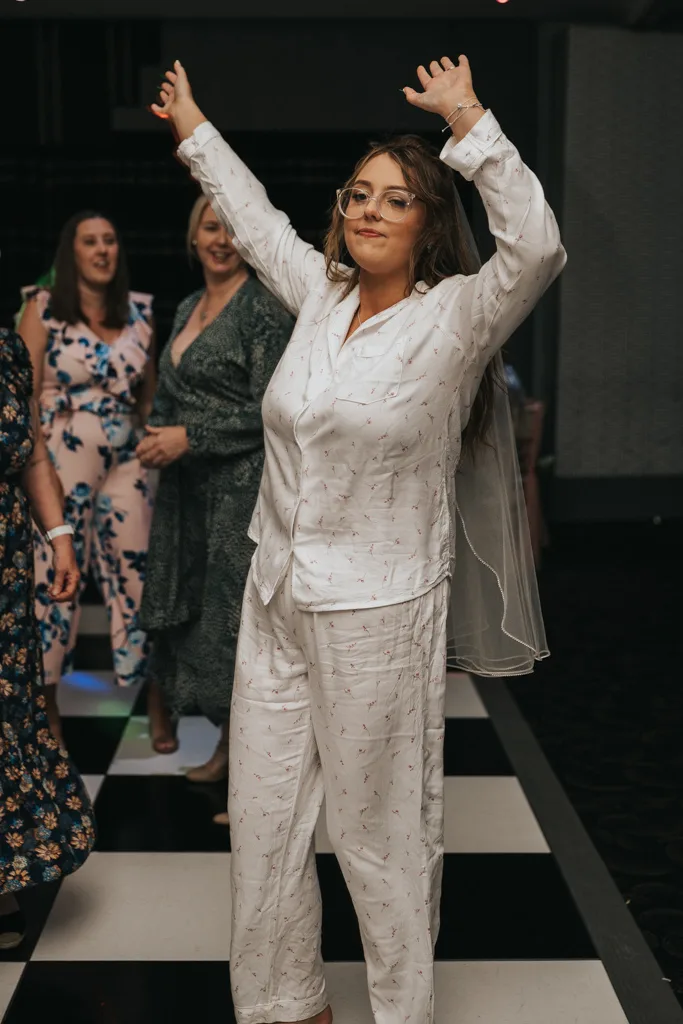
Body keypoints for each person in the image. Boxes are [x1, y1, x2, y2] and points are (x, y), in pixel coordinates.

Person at [152, 53, 566, 1024]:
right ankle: (283, 1002)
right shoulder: (319, 296)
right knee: (261, 821)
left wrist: (469, 125)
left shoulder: (455, 318)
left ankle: (398, 1011)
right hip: (277, 596)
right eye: (356, 195)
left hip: (378, 608)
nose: (367, 211)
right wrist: (194, 129)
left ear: (428, 223)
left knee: (378, 834)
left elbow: (536, 249)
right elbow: (254, 222)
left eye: (394, 199)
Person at [138, 196, 293, 801]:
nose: (221, 239)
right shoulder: (184, 307)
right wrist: (157, 433)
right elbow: (171, 388)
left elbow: (273, 410)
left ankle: (256, 783)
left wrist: (189, 436)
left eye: (231, 228)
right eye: (210, 226)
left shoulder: (264, 309)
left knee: (239, 629)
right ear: (193, 236)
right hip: (187, 493)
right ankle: (229, 750)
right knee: (201, 623)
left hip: (240, 492)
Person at [17, 212, 158, 750]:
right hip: (60, 459)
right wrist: (38, 465)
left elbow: (147, 393)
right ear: (69, 252)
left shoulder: (140, 313)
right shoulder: (44, 307)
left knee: (139, 577)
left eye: (110, 241)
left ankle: (154, 705)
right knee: (53, 583)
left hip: (128, 461)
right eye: (89, 241)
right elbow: (23, 393)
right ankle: (48, 708)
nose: (102, 250)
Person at [0, 326, 95, 951]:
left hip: (6, 573)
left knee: (6, 713)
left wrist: (58, 534)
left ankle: (2, 883)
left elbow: (31, 448)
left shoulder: (7, 346)